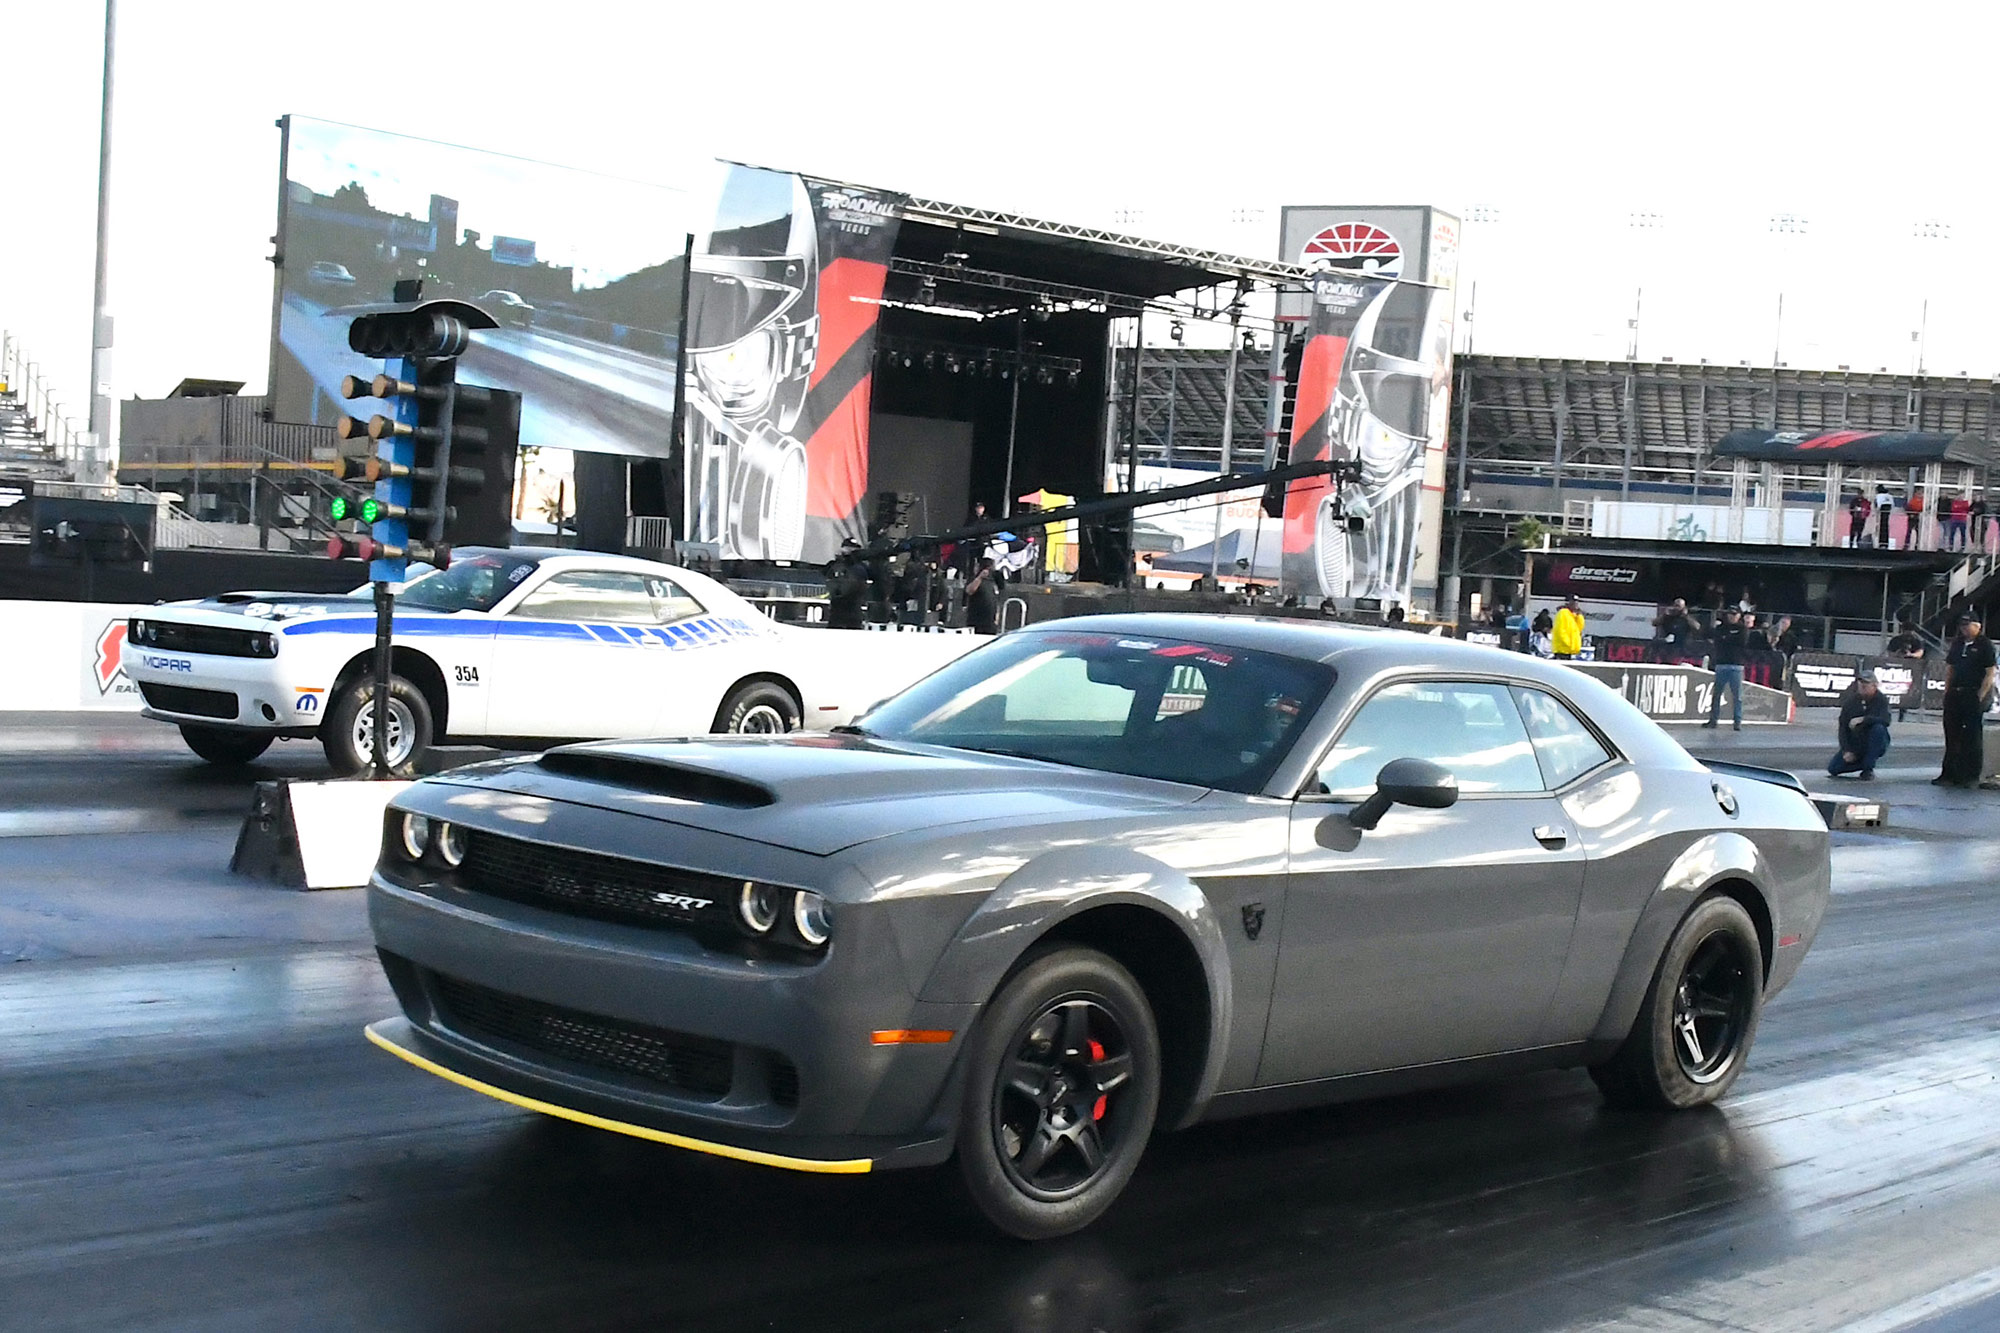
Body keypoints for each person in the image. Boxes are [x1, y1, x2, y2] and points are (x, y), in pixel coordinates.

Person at [1935, 614, 1996, 787]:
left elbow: (1989, 672)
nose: (1964, 629)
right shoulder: (1957, 643)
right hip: (1955, 692)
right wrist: (1947, 692)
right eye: (1962, 626)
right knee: (1951, 734)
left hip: (1972, 693)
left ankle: (1970, 776)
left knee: (1972, 736)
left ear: (1977, 626)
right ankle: (1949, 774)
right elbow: (1950, 669)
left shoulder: (1984, 645)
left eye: (1967, 626)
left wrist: (1980, 695)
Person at [1828, 673, 1891, 779]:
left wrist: (1864, 719)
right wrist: (1846, 750)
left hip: (1874, 739)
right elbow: (1843, 727)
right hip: (1856, 741)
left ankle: (1868, 768)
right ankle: (1862, 762)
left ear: (1874, 686)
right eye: (1861, 683)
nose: (1862, 686)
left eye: (1866, 683)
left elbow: (1886, 720)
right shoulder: (1851, 702)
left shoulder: (1881, 700)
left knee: (1878, 728)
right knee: (1833, 769)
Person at [1704, 606, 1747, 730]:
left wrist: (1726, 638)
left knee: (1737, 696)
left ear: (1739, 615)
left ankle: (1737, 721)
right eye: (1730, 614)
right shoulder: (1721, 628)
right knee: (1716, 694)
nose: (1732, 616)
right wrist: (1727, 639)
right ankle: (1713, 720)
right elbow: (1716, 639)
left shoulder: (1742, 629)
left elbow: (1742, 641)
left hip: (1736, 665)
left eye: (1734, 614)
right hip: (1721, 664)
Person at [1887, 620, 1926, 722]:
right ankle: (1888, 711)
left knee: (1907, 691)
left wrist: (1910, 655)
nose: (1909, 634)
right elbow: (1890, 653)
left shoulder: (1917, 641)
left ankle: (1902, 712)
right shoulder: (1896, 640)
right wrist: (1897, 654)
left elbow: (1920, 653)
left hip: (1911, 668)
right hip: (1896, 668)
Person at [965, 556, 1001, 635]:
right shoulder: (974, 579)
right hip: (977, 620)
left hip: (990, 621)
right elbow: (969, 590)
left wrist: (997, 614)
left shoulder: (993, 581)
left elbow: (996, 599)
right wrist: (980, 577)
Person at [1551, 596, 1585, 660]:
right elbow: (1560, 630)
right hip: (1562, 649)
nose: (1576, 604)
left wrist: (1579, 615)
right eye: (1574, 602)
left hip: (1569, 650)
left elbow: (1579, 628)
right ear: (1568, 603)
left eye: (1577, 602)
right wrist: (1568, 643)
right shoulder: (1563, 613)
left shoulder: (1573, 615)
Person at [1875, 485, 1894, 549]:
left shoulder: (1879, 496)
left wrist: (1877, 511)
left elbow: (1878, 504)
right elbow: (1892, 504)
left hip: (1882, 510)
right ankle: (1886, 542)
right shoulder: (1889, 495)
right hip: (1888, 510)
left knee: (1882, 526)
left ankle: (1881, 542)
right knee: (1886, 526)